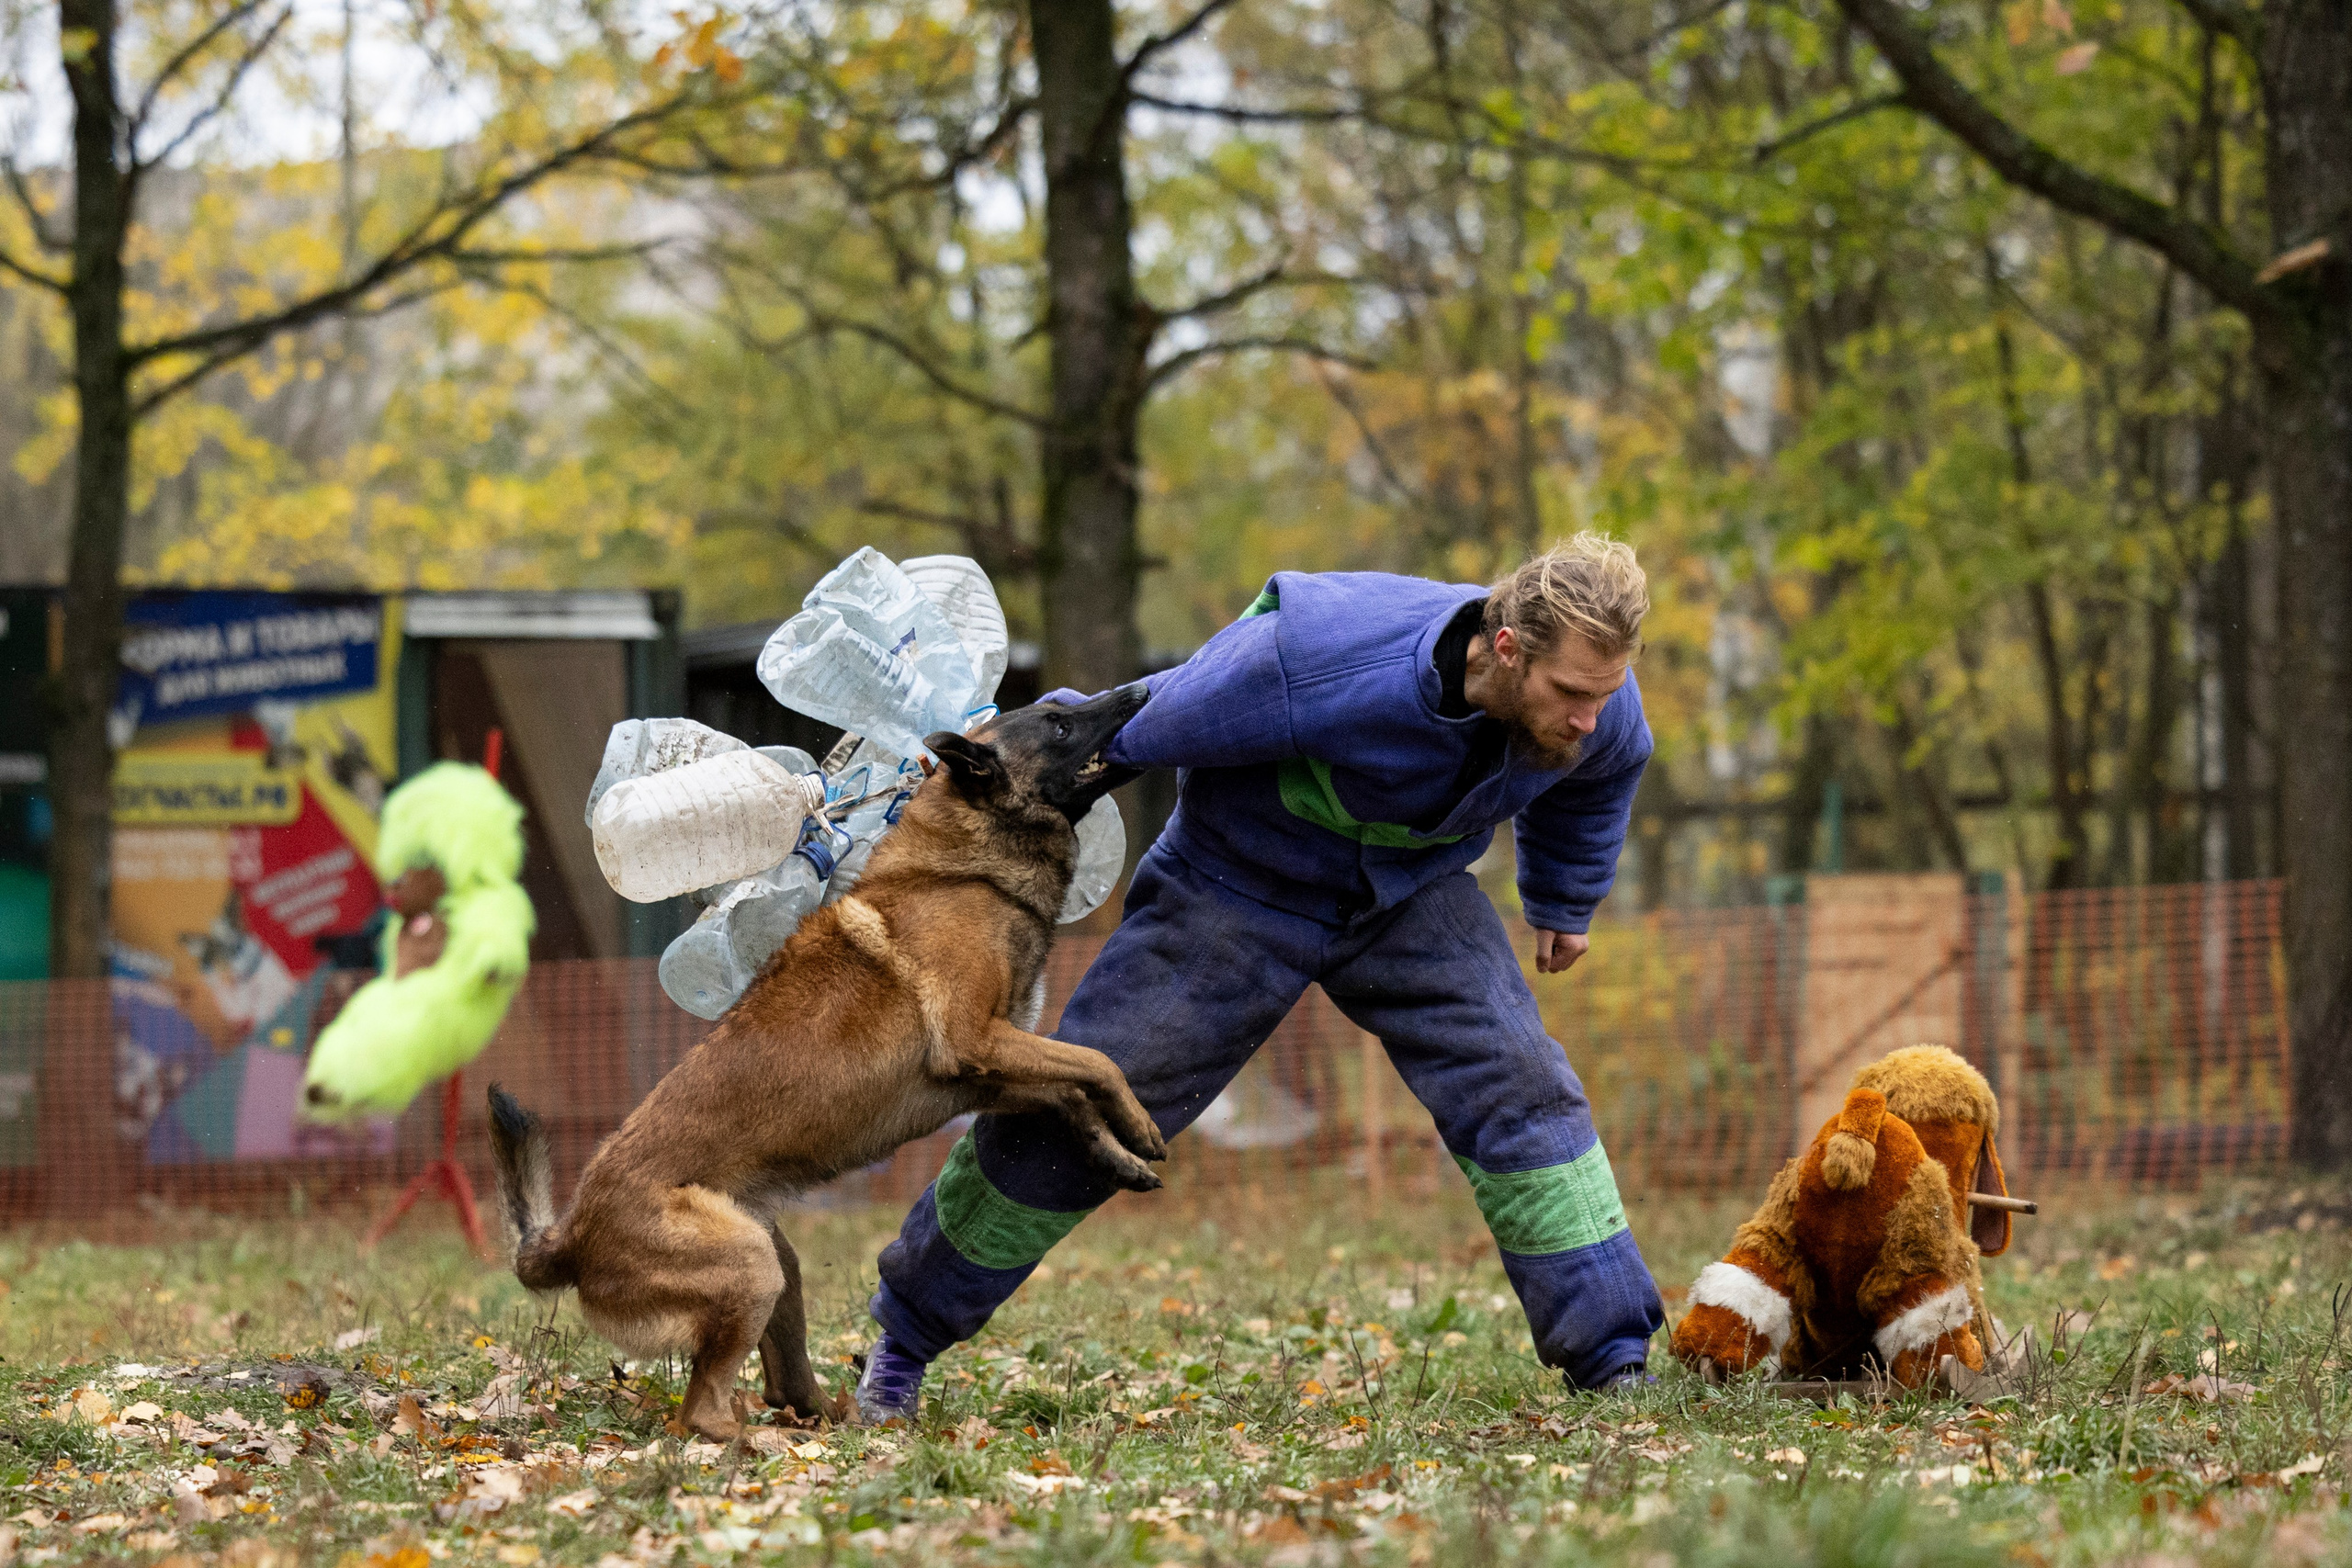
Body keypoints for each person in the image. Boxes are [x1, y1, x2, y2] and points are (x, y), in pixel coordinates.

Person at [855, 534, 1667, 1420]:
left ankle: (1614, 1358)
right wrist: (984, 780)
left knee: (1524, 1082)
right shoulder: (1316, 655)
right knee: (1081, 1105)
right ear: (1506, 648)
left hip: (1410, 892)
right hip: (1235, 888)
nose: (1591, 714)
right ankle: (904, 1341)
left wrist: (1563, 897)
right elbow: (1136, 719)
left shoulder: (1598, 710)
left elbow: (1607, 770)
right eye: (1574, 694)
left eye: (1606, 692)